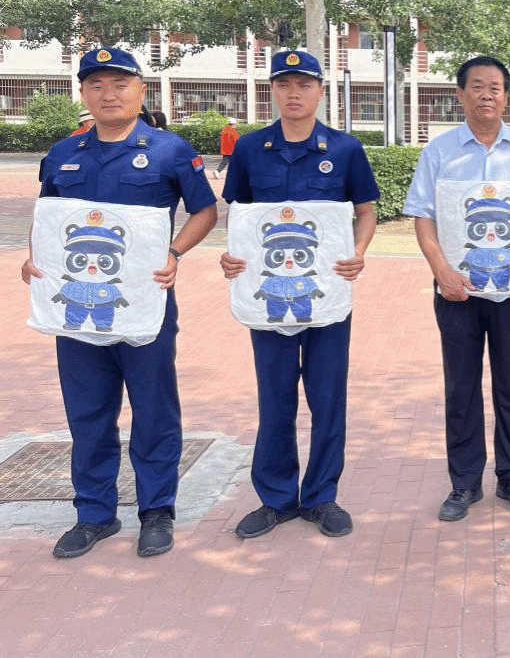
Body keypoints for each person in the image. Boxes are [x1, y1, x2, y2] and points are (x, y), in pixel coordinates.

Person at [21, 46, 217, 558]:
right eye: (96, 85)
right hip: (76, 307)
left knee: (153, 410)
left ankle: (157, 511)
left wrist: (175, 252)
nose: (108, 94)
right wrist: (34, 259)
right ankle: (94, 514)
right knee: (88, 412)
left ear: (140, 90)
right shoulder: (63, 154)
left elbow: (204, 211)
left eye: (120, 84)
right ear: (83, 93)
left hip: (145, 304)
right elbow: (48, 219)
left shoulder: (171, 151)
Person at [220, 50, 379, 540]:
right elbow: (239, 217)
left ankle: (321, 496)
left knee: (327, 397)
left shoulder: (345, 149)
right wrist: (231, 257)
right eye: (285, 85)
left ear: (320, 92)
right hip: (268, 296)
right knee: (275, 398)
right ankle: (275, 498)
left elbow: (366, 209)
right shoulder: (250, 149)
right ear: (272, 90)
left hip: (325, 295)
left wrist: (359, 251)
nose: (294, 93)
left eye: (304, 85)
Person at [403, 56, 510, 522]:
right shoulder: (439, 152)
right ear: (460, 94)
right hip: (458, 291)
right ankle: (464, 484)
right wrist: (441, 271)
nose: (486, 94)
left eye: (495, 87)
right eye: (477, 86)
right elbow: (423, 216)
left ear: (506, 96)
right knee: (462, 388)